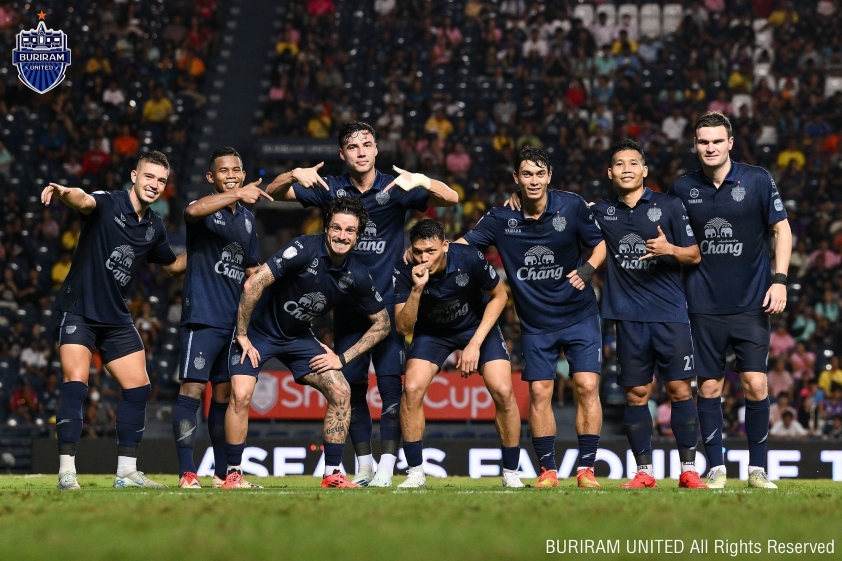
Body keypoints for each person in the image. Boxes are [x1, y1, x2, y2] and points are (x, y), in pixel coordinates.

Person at [265, 121, 458, 486]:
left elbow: (452, 198)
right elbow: (272, 194)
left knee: (390, 390)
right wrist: (293, 173)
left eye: (367, 144)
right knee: (351, 389)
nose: (361, 151)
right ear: (343, 154)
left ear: (376, 149)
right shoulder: (331, 188)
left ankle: (387, 467)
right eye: (353, 147)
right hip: (348, 310)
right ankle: (364, 465)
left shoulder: (395, 186)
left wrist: (422, 180)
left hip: (389, 306)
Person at [41, 151, 186, 490]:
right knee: (76, 382)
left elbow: (174, 267)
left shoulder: (154, 226)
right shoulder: (110, 202)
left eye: (161, 180)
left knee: (139, 387)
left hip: (116, 318)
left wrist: (205, 247)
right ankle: (66, 472)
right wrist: (65, 192)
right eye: (149, 176)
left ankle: (126, 472)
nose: (154, 185)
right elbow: (85, 201)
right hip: (80, 308)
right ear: (134, 175)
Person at [462, 147, 606, 488]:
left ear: (549, 176)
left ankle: (586, 469)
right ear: (516, 178)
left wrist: (586, 270)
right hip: (536, 323)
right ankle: (548, 471)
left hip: (579, 313)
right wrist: (430, 251)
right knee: (540, 393)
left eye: (540, 174)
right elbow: (462, 248)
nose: (534, 180)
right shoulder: (500, 219)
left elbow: (600, 245)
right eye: (526, 174)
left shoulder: (570, 205)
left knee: (587, 386)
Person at [227, 196, 390, 489]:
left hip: (298, 338)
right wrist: (241, 333)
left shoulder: (357, 274)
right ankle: (233, 476)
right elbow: (254, 283)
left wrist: (342, 358)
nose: (342, 236)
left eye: (350, 231)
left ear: (358, 235)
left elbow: (383, 323)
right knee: (240, 395)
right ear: (326, 228)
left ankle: (332, 475)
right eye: (337, 228)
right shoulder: (304, 248)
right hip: (258, 334)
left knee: (342, 390)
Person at [668, 111, 792, 489]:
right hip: (702, 304)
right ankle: (717, 468)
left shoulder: (756, 179)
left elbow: (781, 230)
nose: (710, 147)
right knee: (709, 388)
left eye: (717, 141)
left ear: (730, 143)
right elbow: (648, 211)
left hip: (752, 302)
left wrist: (781, 280)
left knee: (756, 383)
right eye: (703, 141)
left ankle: (757, 470)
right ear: (695, 145)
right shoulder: (682, 187)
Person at [592, 139, 707, 489]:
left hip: (670, 313)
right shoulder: (600, 212)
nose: (627, 169)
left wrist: (669, 249)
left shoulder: (670, 205)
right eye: (619, 164)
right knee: (636, 394)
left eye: (633, 163)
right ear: (609, 172)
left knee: (679, 389)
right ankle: (644, 473)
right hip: (627, 317)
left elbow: (695, 255)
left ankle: (689, 470)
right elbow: (560, 208)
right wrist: (518, 199)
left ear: (644, 170)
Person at [393, 219, 524, 489]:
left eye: (430, 251)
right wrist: (417, 289)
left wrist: (474, 344)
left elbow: (499, 297)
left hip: (476, 327)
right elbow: (403, 326)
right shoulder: (405, 269)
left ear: (445, 245)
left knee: (502, 390)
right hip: (432, 333)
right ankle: (415, 473)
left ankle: (511, 473)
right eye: (418, 251)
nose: (423, 258)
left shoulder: (470, 257)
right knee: (412, 389)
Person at [171, 147, 270, 488]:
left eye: (237, 170)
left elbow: (252, 266)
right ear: (211, 177)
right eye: (224, 170)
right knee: (193, 391)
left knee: (224, 398)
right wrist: (238, 193)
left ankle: (222, 475)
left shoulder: (246, 219)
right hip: (202, 316)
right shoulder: (204, 211)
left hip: (234, 323)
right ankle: (187, 473)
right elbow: (191, 209)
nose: (231, 174)